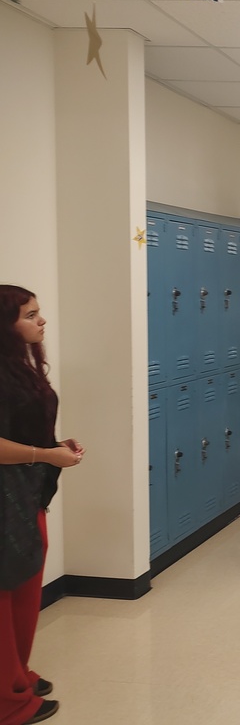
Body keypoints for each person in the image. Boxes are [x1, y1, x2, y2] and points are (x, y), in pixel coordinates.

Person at [0, 285, 85, 725]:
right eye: (30, 315)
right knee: (6, 592)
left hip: (28, 492)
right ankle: (8, 700)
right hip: (7, 497)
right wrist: (46, 455)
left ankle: (17, 675)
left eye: (39, 313)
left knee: (24, 589)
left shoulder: (19, 367)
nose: (42, 321)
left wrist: (53, 446)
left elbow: (23, 427)